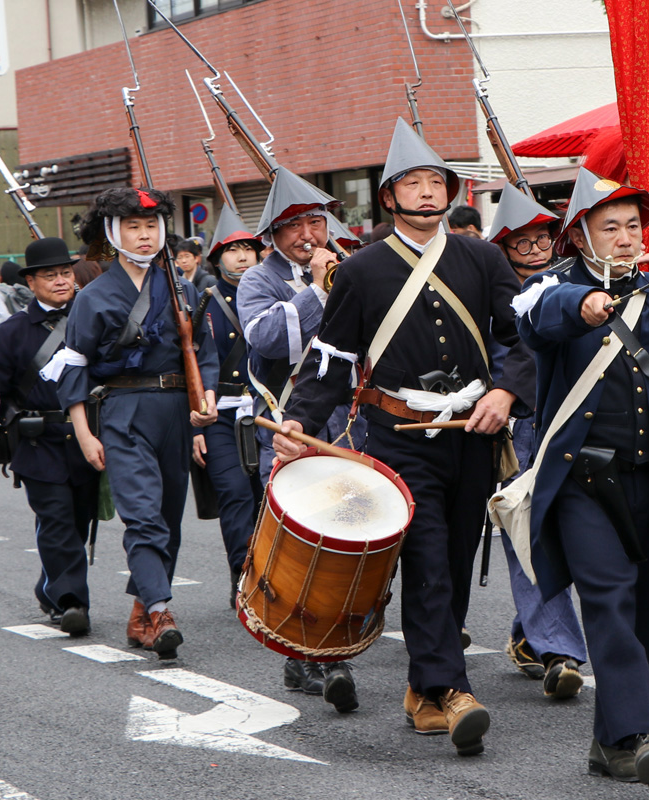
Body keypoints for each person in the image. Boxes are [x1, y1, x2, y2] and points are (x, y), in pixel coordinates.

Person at [274, 117, 535, 755]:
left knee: (449, 560)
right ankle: (453, 690)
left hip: (472, 433)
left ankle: (422, 692)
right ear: (389, 197)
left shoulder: (482, 257)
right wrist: (302, 420)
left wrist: (506, 391)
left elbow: (520, 337)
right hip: (397, 437)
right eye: (411, 183)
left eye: (434, 182)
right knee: (425, 559)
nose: (425, 192)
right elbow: (332, 356)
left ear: (450, 193)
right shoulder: (362, 270)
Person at [514, 166, 649, 795]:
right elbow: (538, 321)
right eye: (611, 228)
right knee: (605, 599)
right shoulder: (548, 290)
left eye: (634, 226)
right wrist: (584, 304)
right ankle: (644, 732)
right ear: (580, 237)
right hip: (581, 482)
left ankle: (609, 742)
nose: (627, 238)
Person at [45, 187, 218, 659]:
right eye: (132, 227)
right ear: (112, 232)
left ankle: (142, 612)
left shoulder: (182, 287)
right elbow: (73, 367)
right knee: (142, 516)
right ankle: (161, 610)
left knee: (168, 520)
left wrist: (208, 404)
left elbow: (206, 353)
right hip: (122, 413)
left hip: (177, 412)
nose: (143, 237)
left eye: (150, 227)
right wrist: (83, 433)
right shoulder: (94, 295)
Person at [236, 166, 367, 708]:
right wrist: (316, 288)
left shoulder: (353, 265)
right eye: (293, 227)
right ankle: (309, 655)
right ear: (273, 237)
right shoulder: (257, 280)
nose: (307, 234)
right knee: (304, 537)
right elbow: (269, 339)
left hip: (352, 419)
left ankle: (336, 642)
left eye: (314, 221)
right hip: (291, 422)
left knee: (353, 533)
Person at [0, 238, 99, 634]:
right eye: (50, 275)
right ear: (31, 282)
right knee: (55, 519)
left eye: (66, 273)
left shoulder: (94, 320)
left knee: (78, 522)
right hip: (38, 442)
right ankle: (72, 602)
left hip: (88, 438)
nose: (61, 281)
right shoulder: (12, 332)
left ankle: (50, 585)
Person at [486, 185, 588, 698]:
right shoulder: (492, 293)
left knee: (579, 536)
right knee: (528, 534)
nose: (534, 251)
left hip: (580, 423)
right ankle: (559, 650)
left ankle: (531, 634)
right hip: (517, 425)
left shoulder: (578, 281)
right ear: (502, 249)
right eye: (520, 244)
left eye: (542, 239)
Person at [194, 206, 264, 606]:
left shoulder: (272, 293)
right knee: (236, 496)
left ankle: (272, 575)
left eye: (248, 249)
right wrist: (196, 429)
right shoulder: (205, 303)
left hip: (267, 414)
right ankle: (242, 575)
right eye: (232, 250)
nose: (241, 256)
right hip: (219, 415)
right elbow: (191, 369)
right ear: (217, 258)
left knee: (268, 497)